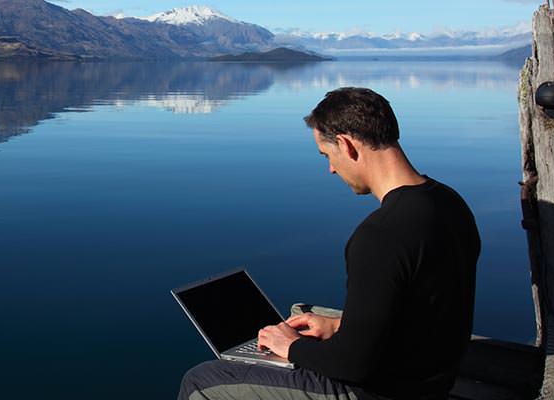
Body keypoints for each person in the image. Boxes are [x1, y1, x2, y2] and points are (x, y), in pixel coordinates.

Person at [178, 87, 480, 400]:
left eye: (328, 155)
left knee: (203, 380)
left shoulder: (380, 236)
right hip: (432, 381)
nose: (331, 169)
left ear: (347, 146)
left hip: (383, 391)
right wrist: (340, 327)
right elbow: (421, 310)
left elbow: (352, 366)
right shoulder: (449, 203)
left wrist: (293, 346)